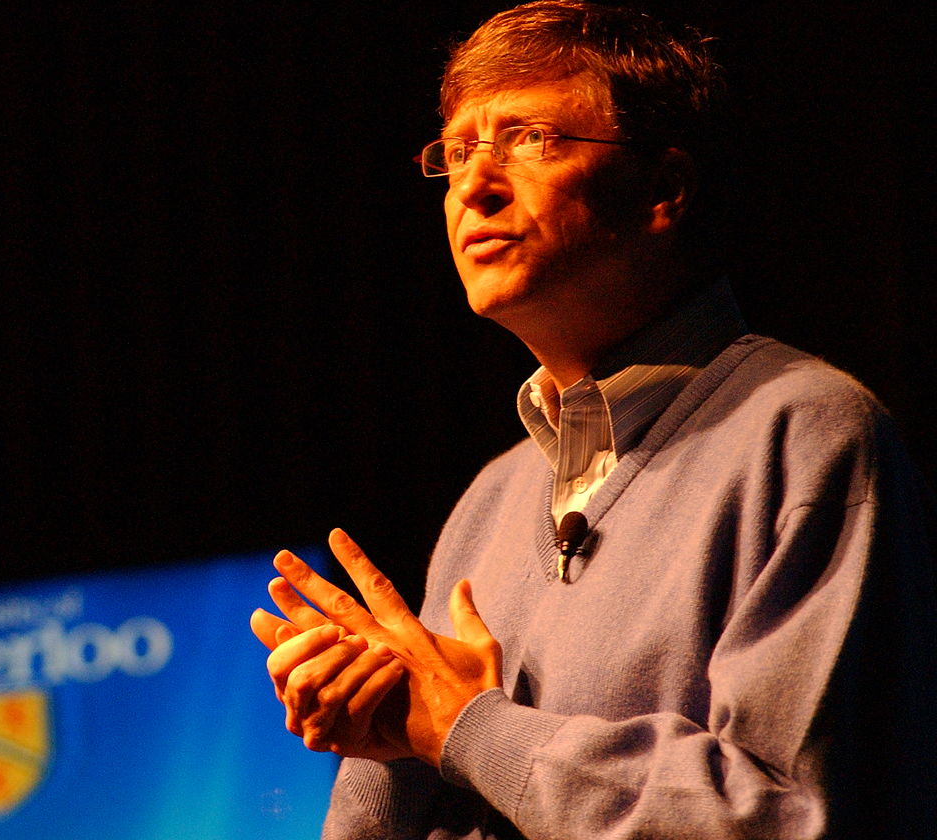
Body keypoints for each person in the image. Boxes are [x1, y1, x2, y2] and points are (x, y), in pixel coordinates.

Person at [249, 2, 937, 838]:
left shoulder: (804, 435)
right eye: (459, 150)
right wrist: (388, 731)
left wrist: (471, 729)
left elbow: (793, 820)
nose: (475, 183)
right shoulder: (491, 501)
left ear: (662, 190)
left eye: (530, 139)